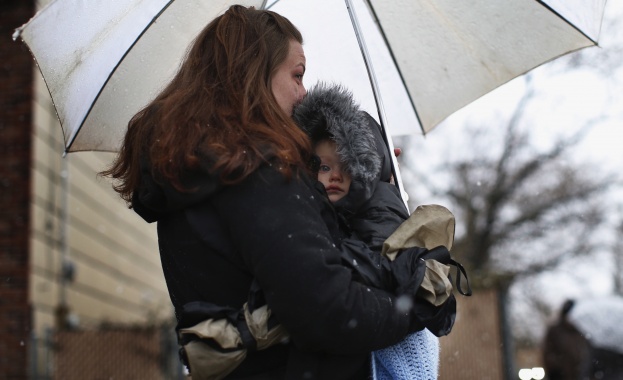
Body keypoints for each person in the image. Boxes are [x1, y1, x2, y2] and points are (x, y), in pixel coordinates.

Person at [102, 5, 442, 379]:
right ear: (255, 74)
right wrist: (420, 302)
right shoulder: (257, 174)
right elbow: (331, 311)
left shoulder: (194, 173)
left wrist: (357, 185)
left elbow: (286, 283)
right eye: (297, 75)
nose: (303, 92)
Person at [294, 83, 445, 379]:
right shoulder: (336, 212)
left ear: (364, 166)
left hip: (393, 340)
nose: (334, 175)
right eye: (323, 167)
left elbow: (383, 262)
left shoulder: (381, 205)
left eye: (345, 165)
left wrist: (334, 258)